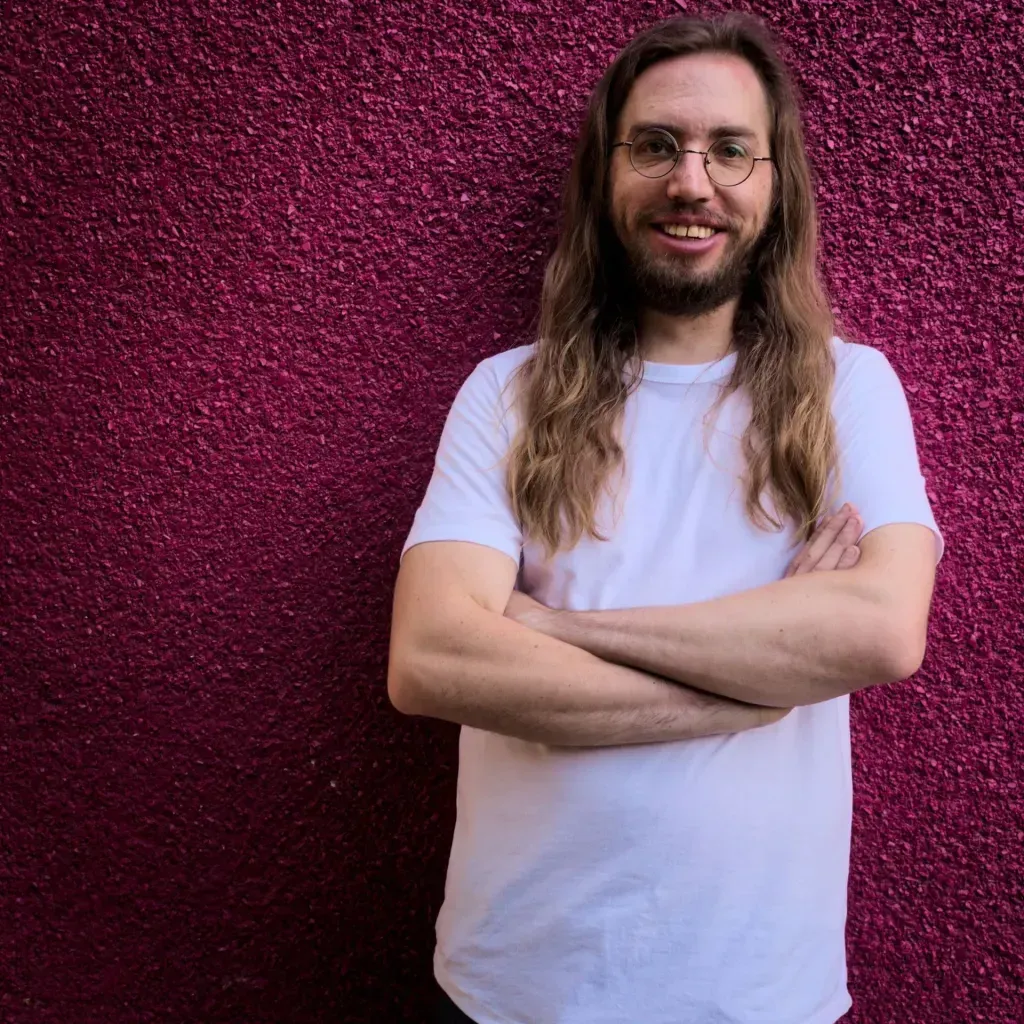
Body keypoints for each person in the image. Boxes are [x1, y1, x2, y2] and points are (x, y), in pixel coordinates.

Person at [387, 11, 944, 1024]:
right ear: (606, 175)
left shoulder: (846, 389)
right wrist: (756, 686)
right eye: (654, 146)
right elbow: (431, 659)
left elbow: (877, 629)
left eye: (729, 149)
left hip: (756, 992)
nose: (691, 181)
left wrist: (545, 624)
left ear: (775, 185)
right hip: (520, 986)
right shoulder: (505, 394)